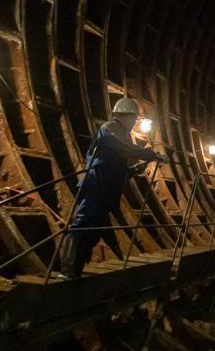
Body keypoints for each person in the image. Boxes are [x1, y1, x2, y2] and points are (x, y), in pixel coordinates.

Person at [59, 97, 168, 278]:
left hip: (107, 189)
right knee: (83, 223)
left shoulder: (122, 134)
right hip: (97, 184)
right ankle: (68, 269)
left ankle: (76, 269)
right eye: (133, 119)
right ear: (125, 116)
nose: (134, 123)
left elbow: (117, 168)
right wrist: (150, 154)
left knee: (95, 228)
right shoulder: (109, 129)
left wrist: (132, 170)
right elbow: (123, 148)